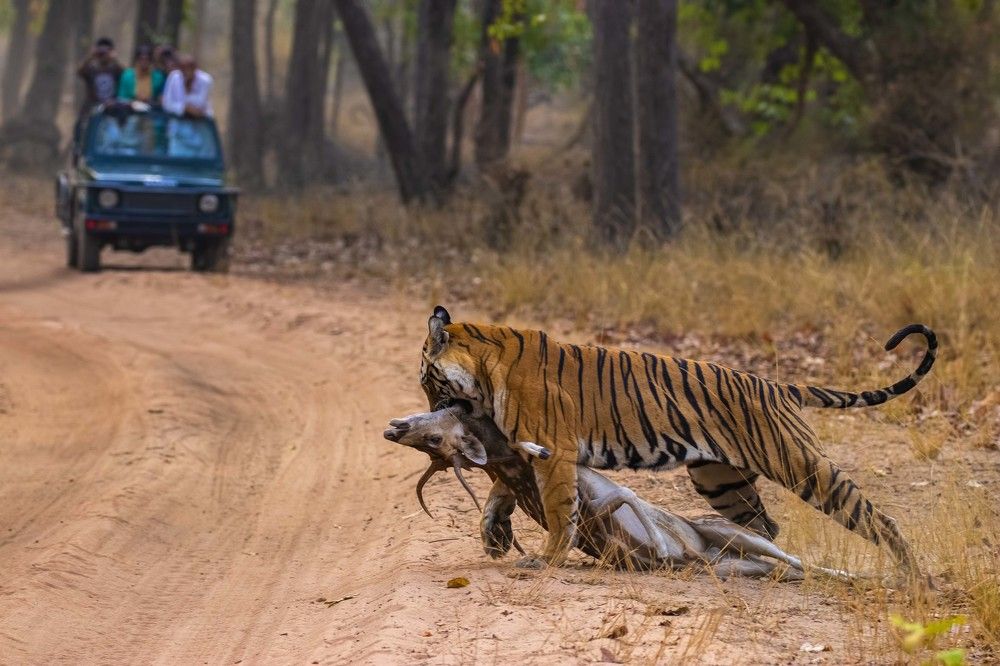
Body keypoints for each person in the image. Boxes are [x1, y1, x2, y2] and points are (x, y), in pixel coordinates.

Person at [77, 37, 124, 113]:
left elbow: (124, 75)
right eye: (101, 52)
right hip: (92, 106)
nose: (104, 55)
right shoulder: (91, 69)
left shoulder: (115, 69)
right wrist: (91, 56)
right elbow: (79, 72)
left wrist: (114, 59)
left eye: (106, 51)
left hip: (111, 106)